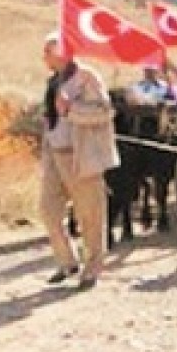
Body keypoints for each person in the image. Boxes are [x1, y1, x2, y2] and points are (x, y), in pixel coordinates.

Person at [38, 33, 118, 291]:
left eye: (48, 52)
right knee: (48, 212)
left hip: (80, 154)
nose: (44, 58)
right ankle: (67, 261)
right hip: (54, 153)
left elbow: (104, 113)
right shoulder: (53, 81)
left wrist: (71, 110)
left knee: (90, 216)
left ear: (62, 52)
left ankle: (92, 268)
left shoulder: (87, 77)